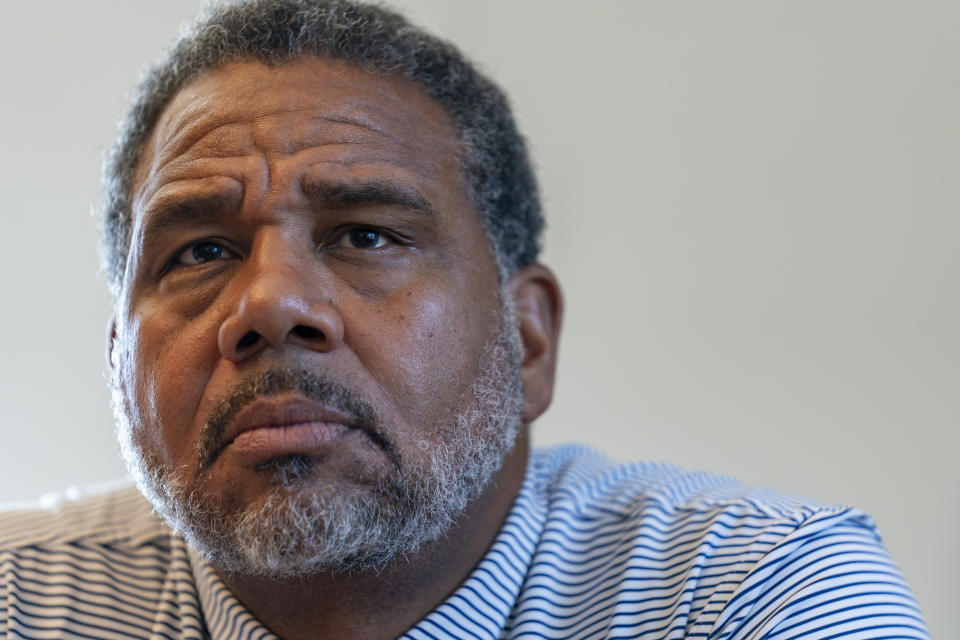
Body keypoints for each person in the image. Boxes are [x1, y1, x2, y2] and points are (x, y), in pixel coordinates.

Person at [0, 1, 929, 638]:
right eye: (199, 251)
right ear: (119, 362)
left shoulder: (754, 598)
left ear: (527, 339)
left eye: (365, 234)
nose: (273, 303)